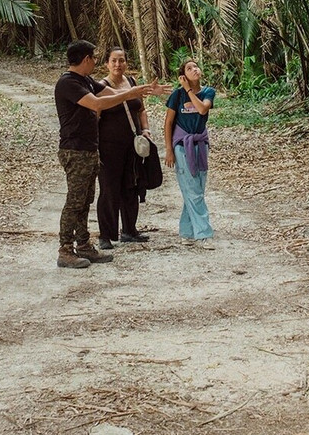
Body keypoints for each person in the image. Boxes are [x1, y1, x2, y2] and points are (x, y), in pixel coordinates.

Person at [55, 40, 158, 269]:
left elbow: (119, 96)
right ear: (86, 60)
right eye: (93, 58)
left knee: (85, 200)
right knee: (74, 201)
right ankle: (65, 249)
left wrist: (141, 92)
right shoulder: (68, 83)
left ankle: (83, 246)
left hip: (89, 149)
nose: (94, 62)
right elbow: (97, 103)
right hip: (75, 150)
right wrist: (130, 93)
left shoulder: (86, 81)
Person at [95, 47, 153, 249]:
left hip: (132, 146)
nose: (118, 65)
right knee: (109, 189)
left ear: (127, 63)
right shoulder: (101, 86)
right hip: (109, 147)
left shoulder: (132, 83)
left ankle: (129, 230)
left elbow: (141, 109)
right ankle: (105, 235)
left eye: (121, 60)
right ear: (107, 64)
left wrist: (145, 129)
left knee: (131, 186)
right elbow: (96, 115)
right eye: (113, 61)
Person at [164, 59, 216, 249]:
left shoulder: (208, 92)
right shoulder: (177, 96)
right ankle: (204, 234)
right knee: (192, 190)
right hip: (181, 146)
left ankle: (187, 231)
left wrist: (189, 91)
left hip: (200, 145)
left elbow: (202, 109)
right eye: (189, 68)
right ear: (183, 75)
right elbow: (168, 123)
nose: (195, 70)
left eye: (196, 66)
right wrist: (169, 150)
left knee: (196, 189)